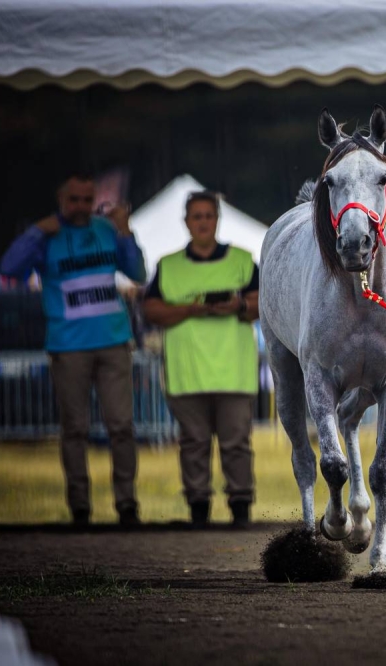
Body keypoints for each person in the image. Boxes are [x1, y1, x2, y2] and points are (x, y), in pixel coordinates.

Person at [0, 173, 146, 527]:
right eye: (74, 200)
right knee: (75, 429)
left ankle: (127, 505)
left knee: (122, 426)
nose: (81, 207)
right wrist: (36, 231)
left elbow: (138, 272)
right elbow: (8, 269)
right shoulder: (47, 235)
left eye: (87, 199)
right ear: (61, 200)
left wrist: (126, 232)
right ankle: (80, 507)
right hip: (67, 346)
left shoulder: (107, 229)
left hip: (113, 341)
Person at [142, 191, 259, 529]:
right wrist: (190, 309)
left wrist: (236, 306)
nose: (203, 222)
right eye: (197, 216)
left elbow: (264, 303)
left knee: (236, 444)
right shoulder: (168, 265)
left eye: (209, 215)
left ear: (217, 219)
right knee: (193, 443)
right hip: (186, 373)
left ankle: (240, 508)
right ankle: (198, 510)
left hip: (234, 372)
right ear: (186, 222)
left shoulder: (242, 260)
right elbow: (150, 309)